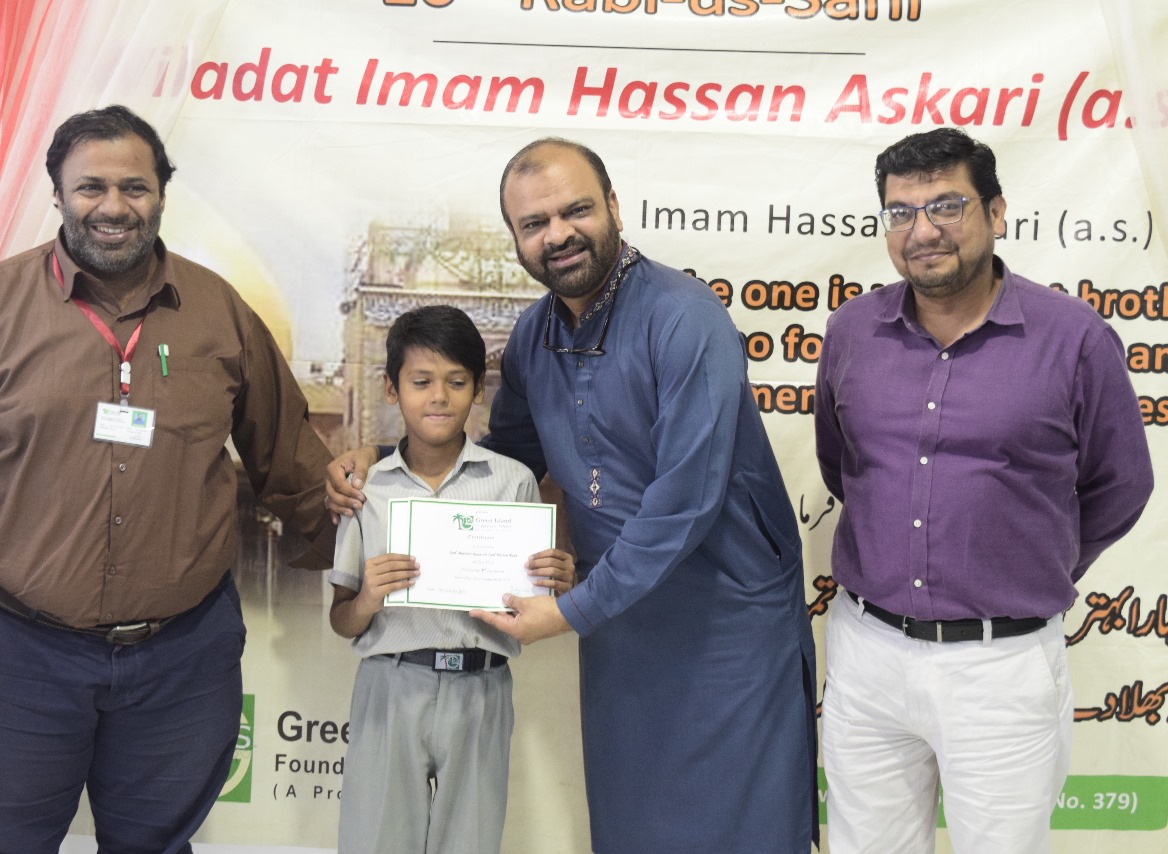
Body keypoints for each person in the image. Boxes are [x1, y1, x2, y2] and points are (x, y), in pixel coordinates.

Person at [328, 139, 819, 853]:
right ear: (516, 238)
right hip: (620, 625)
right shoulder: (535, 336)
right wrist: (380, 462)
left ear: (613, 207)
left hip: (725, 624)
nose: (557, 234)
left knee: (739, 827)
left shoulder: (685, 317)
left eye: (575, 211)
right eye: (534, 223)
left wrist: (568, 611)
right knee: (633, 824)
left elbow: (687, 499)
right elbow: (503, 459)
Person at [0, 105, 336, 853]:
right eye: (91, 187)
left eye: (135, 187)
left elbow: (291, 457)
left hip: (182, 660)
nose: (114, 207)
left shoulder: (218, 313)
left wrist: (367, 551)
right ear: (57, 194)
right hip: (17, 655)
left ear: (161, 193)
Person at [815, 127, 1154, 853]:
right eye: (901, 212)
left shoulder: (1073, 338)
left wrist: (1025, 561)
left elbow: (1121, 484)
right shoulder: (853, 332)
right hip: (868, 653)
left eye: (947, 205)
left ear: (996, 212)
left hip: (1001, 668)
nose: (922, 231)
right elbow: (843, 466)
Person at [329, 304, 575, 854]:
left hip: (482, 687)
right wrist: (368, 597)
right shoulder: (366, 488)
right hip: (390, 684)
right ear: (391, 389)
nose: (438, 397)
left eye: (457, 382)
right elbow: (341, 619)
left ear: (479, 389)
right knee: (375, 841)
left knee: (471, 843)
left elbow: (531, 608)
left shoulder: (513, 482)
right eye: (420, 382)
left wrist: (557, 584)